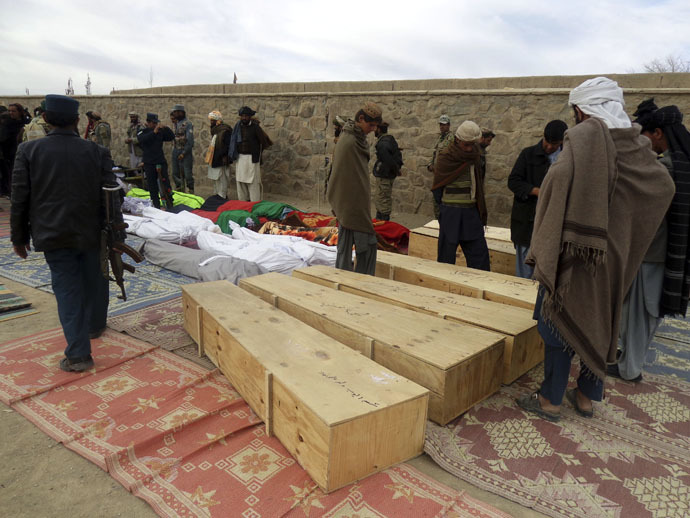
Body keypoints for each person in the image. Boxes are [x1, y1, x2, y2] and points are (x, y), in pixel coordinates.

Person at [516, 77, 675, 422]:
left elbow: (556, 184)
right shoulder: (639, 148)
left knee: (557, 322)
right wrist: (625, 230)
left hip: (574, 253)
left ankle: (550, 400)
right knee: (602, 321)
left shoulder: (585, 139)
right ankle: (586, 398)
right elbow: (663, 186)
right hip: (615, 256)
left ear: (581, 110)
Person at [10, 94, 123, 372]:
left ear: (45, 118)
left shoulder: (28, 150)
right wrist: (118, 237)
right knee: (96, 278)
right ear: (76, 120)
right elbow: (112, 198)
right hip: (92, 232)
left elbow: (19, 198)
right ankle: (94, 327)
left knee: (67, 289)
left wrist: (18, 237)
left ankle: (78, 354)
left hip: (52, 234)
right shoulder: (97, 152)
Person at [609, 102, 690, 383]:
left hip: (652, 251)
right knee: (646, 311)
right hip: (672, 252)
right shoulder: (682, 164)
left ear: (657, 133)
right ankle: (628, 362)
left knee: (640, 312)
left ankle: (629, 369)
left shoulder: (666, 168)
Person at [327, 101, 382, 275]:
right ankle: (348, 280)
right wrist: (344, 203)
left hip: (356, 201)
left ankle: (360, 281)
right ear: (360, 119)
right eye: (371, 124)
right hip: (349, 202)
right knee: (361, 245)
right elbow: (341, 176)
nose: (373, 129)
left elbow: (358, 175)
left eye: (375, 125)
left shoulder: (357, 139)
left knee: (362, 243)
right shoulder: (349, 141)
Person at [508, 120, 568, 278]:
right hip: (526, 224)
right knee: (525, 274)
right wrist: (536, 191)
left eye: (554, 144)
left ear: (561, 143)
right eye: (547, 142)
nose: (549, 147)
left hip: (552, 224)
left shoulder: (567, 160)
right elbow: (513, 181)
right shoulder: (527, 155)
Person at [433, 120, 490, 270]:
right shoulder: (446, 156)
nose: (469, 148)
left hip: (471, 212)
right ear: (458, 140)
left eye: (472, 144)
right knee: (446, 259)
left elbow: (478, 183)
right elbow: (438, 186)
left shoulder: (476, 155)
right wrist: (443, 211)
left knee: (480, 258)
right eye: (466, 145)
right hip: (451, 212)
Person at [228, 106, 273, 201]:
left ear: (250, 116)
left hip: (252, 159)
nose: (244, 118)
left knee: (253, 183)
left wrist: (257, 152)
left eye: (246, 116)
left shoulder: (255, 127)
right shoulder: (237, 127)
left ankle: (255, 203)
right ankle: (243, 202)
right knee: (240, 182)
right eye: (242, 116)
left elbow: (265, 142)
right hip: (240, 158)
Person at [136, 113, 175, 209]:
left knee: (166, 184)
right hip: (149, 163)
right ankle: (156, 206)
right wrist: (154, 132)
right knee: (152, 186)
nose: (155, 125)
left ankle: (170, 204)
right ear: (148, 123)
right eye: (153, 123)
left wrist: (166, 128)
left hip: (160, 161)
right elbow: (142, 139)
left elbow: (171, 137)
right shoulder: (142, 132)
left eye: (156, 123)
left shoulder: (160, 132)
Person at [372, 121, 403, 221]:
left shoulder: (383, 143)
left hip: (384, 176)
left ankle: (383, 225)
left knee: (383, 200)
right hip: (387, 175)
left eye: (376, 128)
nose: (374, 130)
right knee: (382, 200)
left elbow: (387, 159)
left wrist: (396, 169)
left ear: (379, 129)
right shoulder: (389, 139)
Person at [427, 114, 454, 219]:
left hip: (445, 175)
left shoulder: (451, 138)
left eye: (444, 124)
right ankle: (438, 220)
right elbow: (434, 153)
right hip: (437, 174)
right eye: (440, 125)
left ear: (449, 125)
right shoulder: (439, 138)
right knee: (436, 199)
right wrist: (430, 165)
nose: (442, 127)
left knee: (441, 199)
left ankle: (443, 221)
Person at [0, 103, 26, 197]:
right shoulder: (6, 124)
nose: (11, 113)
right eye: (9, 110)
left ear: (19, 112)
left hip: (24, 153)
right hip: (10, 154)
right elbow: (2, 139)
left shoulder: (26, 123)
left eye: (13, 111)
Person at [205, 110, 232, 199]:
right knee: (216, 179)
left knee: (222, 179)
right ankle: (218, 196)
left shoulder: (225, 130)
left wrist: (225, 156)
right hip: (215, 158)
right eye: (211, 120)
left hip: (222, 159)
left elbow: (228, 145)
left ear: (218, 121)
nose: (211, 122)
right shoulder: (215, 130)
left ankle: (222, 197)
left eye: (213, 121)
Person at [171, 104, 194, 193]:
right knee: (175, 174)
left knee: (187, 174)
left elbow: (190, 141)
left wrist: (183, 153)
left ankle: (191, 193)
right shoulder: (176, 124)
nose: (174, 114)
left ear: (181, 112)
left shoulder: (187, 124)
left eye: (176, 112)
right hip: (176, 151)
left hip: (185, 152)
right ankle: (180, 192)